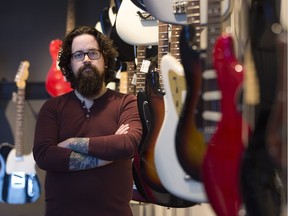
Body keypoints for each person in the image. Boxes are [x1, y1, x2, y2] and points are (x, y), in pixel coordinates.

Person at [33, 25, 143, 216]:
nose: (85, 60)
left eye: (93, 53)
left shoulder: (127, 103)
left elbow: (128, 144)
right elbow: (44, 155)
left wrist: (72, 143)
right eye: (78, 55)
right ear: (69, 64)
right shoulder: (52, 108)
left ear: (105, 60)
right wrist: (109, 153)